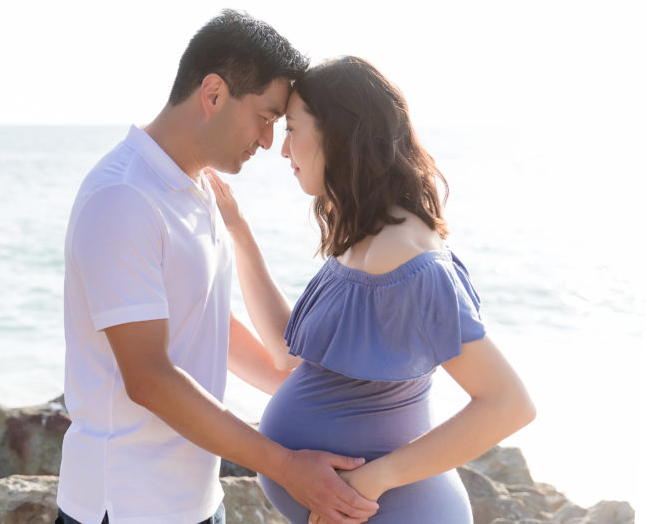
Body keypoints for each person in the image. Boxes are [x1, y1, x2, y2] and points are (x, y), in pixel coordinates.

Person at [57, 12, 381, 524]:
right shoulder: (123, 198)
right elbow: (149, 378)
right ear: (213, 93)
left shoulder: (198, 190)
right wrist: (287, 467)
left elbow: (209, 325)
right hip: (124, 508)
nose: (271, 141)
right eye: (267, 116)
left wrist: (307, 394)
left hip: (198, 503)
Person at [205, 56, 537, 523]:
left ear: (337, 135)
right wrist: (239, 233)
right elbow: (288, 354)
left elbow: (508, 405)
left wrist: (366, 484)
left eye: (292, 130)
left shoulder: (410, 259)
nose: (283, 151)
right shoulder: (363, 240)